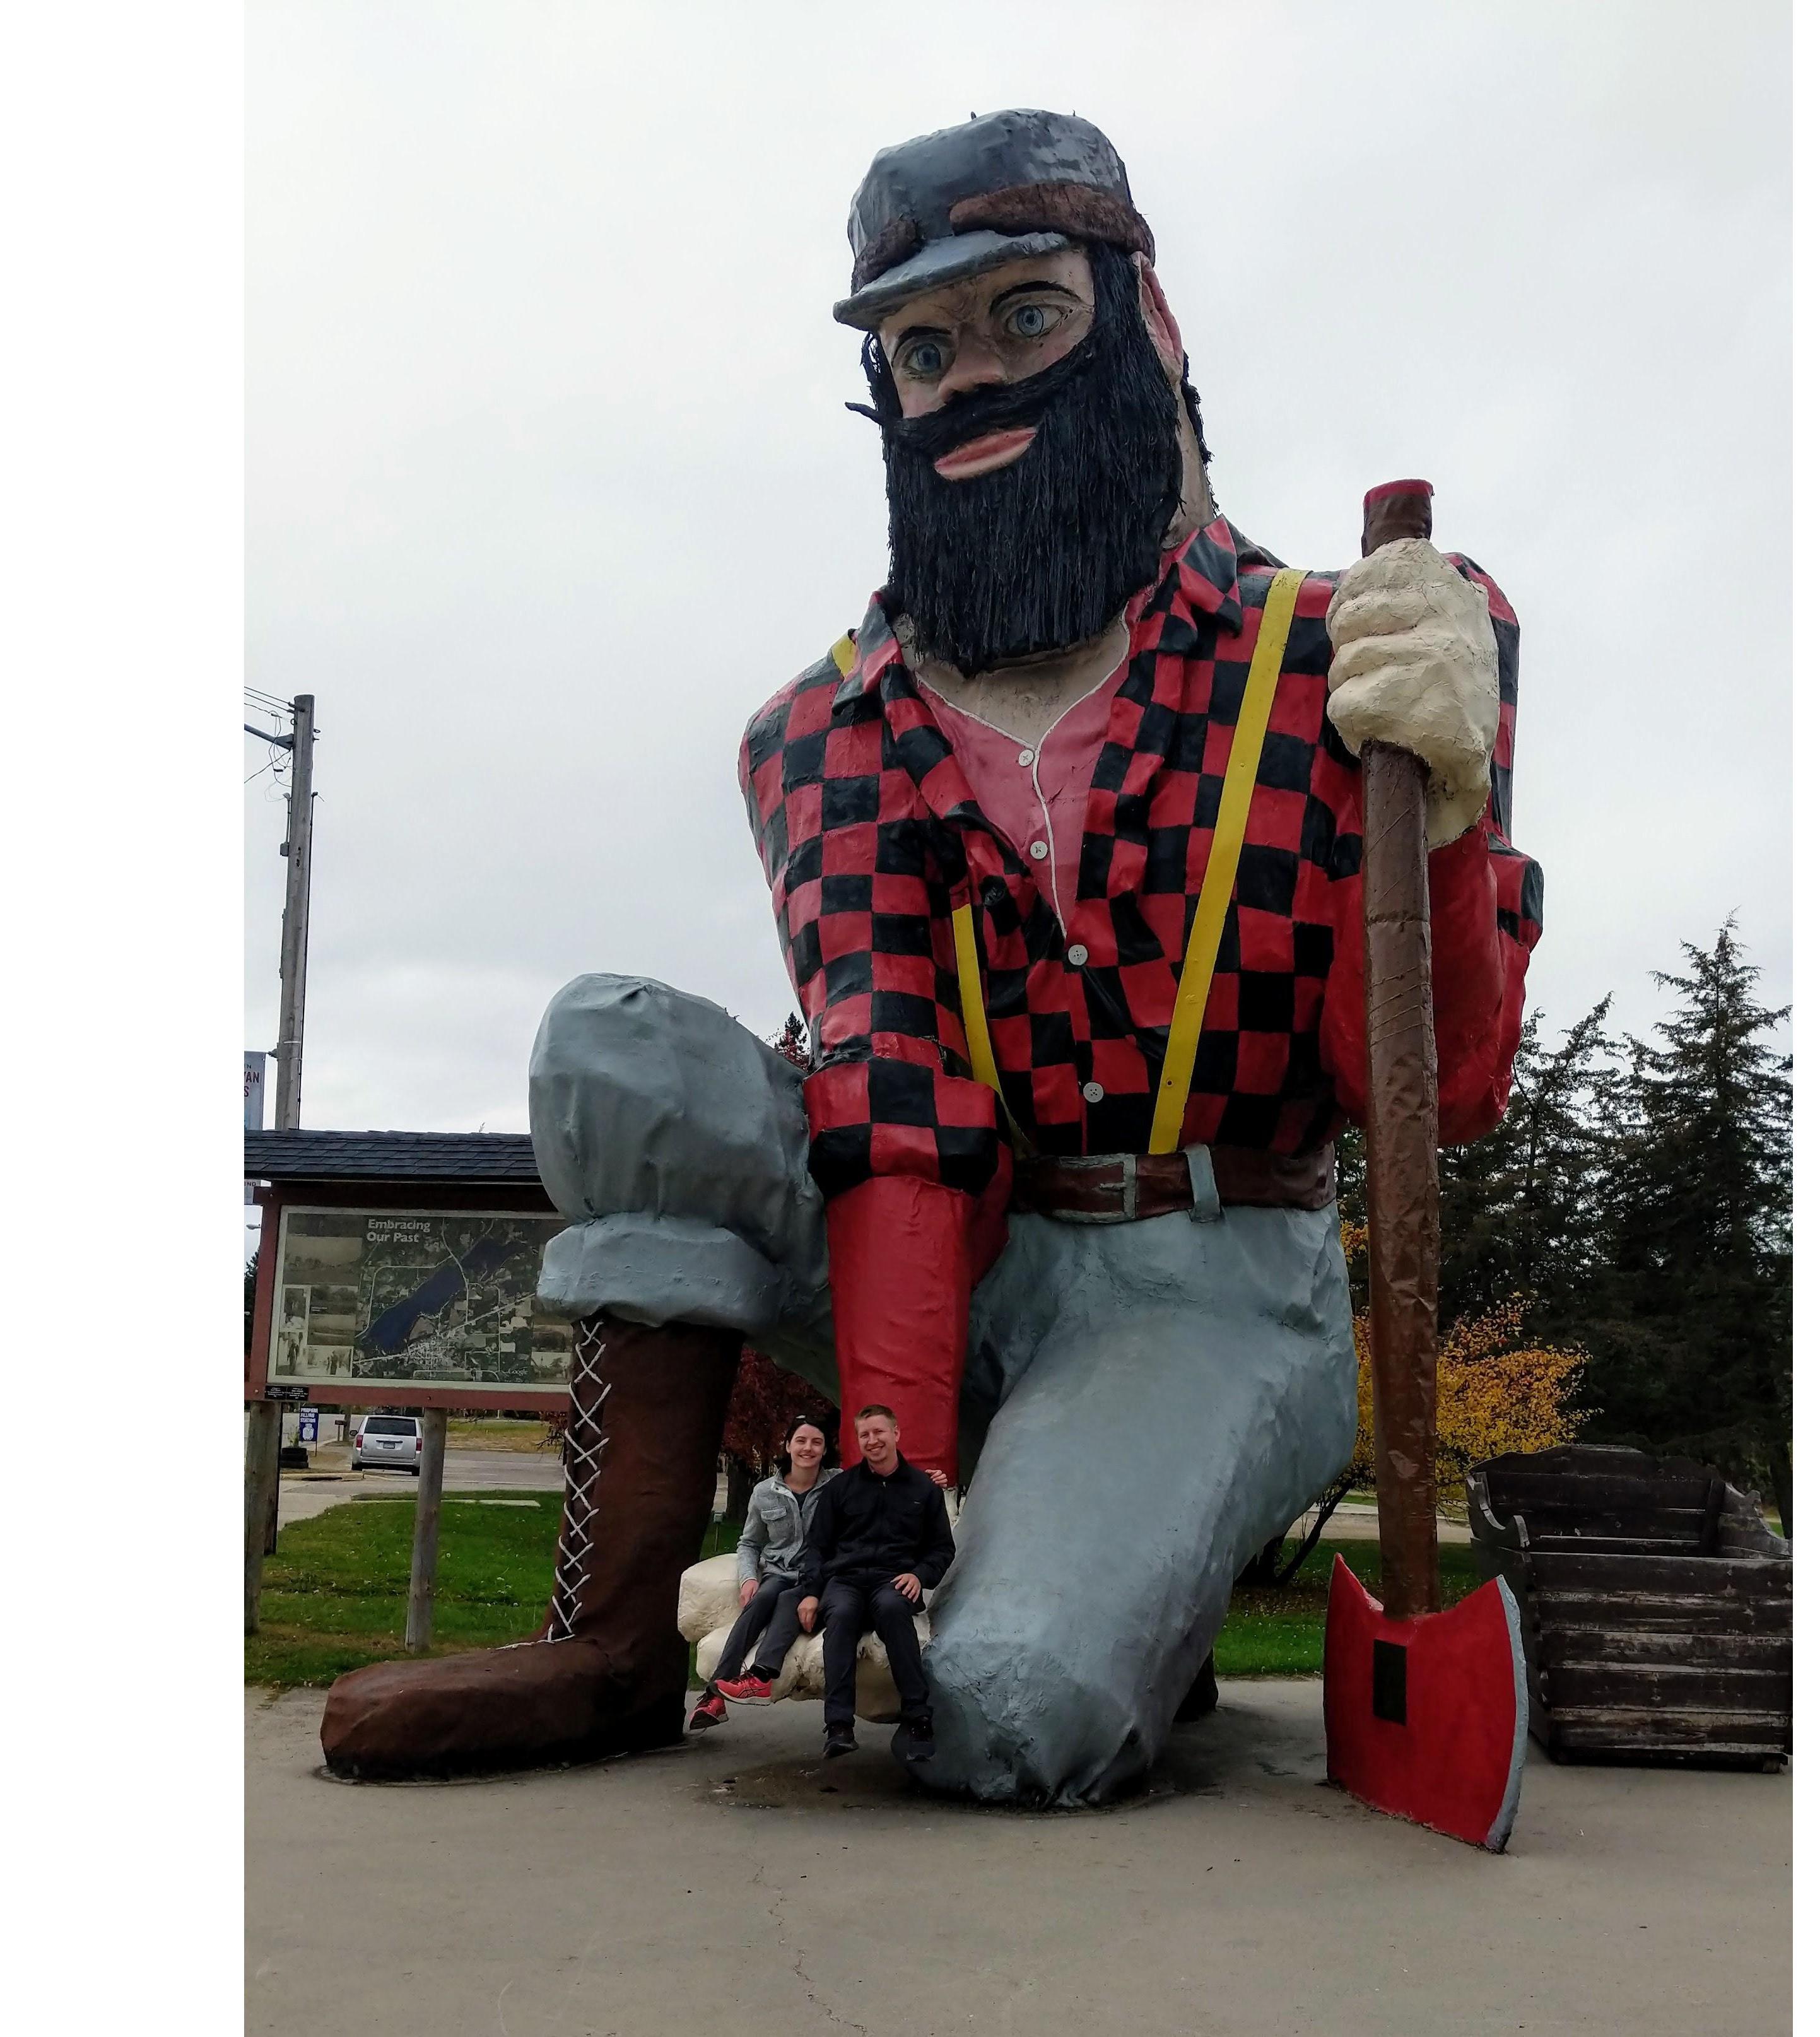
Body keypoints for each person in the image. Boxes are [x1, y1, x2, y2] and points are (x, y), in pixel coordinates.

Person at [320, 108, 1537, 1805]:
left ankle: (1102, 1582)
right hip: (963, 1242)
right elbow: (897, 1098)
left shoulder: (1355, 643)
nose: (967, 379)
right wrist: (902, 1488)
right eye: (918, 347)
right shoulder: (821, 731)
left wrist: (1451, 809)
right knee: (618, 1045)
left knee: (998, 1714)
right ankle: (608, 1642)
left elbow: (1435, 1090)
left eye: (1023, 317)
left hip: (1208, 1274)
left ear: (1144, 329)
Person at [793, 1406, 954, 1760]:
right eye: (864, 1435)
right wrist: (810, 1594)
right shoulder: (841, 1488)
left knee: (895, 1609)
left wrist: (919, 1575)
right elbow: (816, 1548)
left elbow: (942, 1549)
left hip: (893, 1580)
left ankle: (918, 1720)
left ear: (896, 1434)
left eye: (879, 1432)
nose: (872, 1440)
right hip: (846, 1580)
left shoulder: (923, 1489)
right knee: (842, 1615)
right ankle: (838, 1726)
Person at [688, 1413, 838, 1729]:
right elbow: (749, 1543)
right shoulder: (765, 1492)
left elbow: (881, 1478)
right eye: (801, 1441)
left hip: (818, 1577)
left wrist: (931, 1478)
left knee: (787, 1602)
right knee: (763, 1599)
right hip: (778, 1573)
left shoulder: (838, 1485)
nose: (808, 1448)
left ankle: (756, 1677)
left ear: (825, 1450)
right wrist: (748, 1578)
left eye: (816, 1442)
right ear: (788, 1446)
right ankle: (715, 1696)